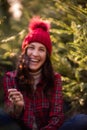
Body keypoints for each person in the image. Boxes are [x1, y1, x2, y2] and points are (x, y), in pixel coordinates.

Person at [2, 16, 87, 130]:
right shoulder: (10, 77)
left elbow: (56, 117)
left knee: (81, 120)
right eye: (31, 48)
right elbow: (11, 116)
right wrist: (18, 107)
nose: (35, 54)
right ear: (25, 51)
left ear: (46, 56)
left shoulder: (55, 78)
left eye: (41, 49)